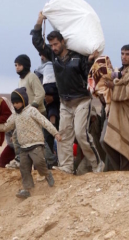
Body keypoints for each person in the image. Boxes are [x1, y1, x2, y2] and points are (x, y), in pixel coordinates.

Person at [30, 12, 103, 174]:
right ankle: (66, 167)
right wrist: (39, 21)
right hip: (65, 102)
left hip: (82, 100)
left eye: (56, 44)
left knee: (80, 134)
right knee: (63, 135)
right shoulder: (53, 57)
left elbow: (89, 75)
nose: (54, 48)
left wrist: (91, 59)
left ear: (63, 42)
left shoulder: (78, 57)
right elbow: (36, 41)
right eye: (52, 45)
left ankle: (97, 165)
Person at [0, 87, 61, 198]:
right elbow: (6, 126)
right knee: (24, 168)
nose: (15, 105)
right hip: (23, 147)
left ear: (24, 101)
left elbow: (45, 122)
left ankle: (47, 174)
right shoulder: (15, 115)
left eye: (18, 102)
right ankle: (27, 189)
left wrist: (55, 133)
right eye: (14, 103)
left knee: (39, 163)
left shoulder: (32, 111)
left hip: (36, 144)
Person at [100, 44, 129, 171]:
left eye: (127, 54)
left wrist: (114, 86)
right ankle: (118, 170)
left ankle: (126, 173)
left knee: (126, 145)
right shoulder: (119, 71)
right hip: (115, 112)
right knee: (105, 141)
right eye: (122, 54)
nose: (124, 57)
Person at [34, 53, 60, 167]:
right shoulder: (38, 73)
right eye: (40, 55)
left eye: (44, 55)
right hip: (44, 110)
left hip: (60, 109)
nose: (42, 57)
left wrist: (53, 98)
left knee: (59, 137)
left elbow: (65, 92)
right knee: (45, 137)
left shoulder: (58, 70)